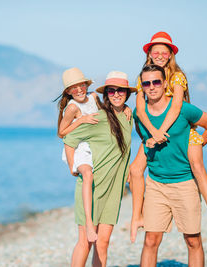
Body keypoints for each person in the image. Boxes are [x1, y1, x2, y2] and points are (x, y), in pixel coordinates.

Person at [129, 32, 207, 245]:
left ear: (171, 55)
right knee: (135, 169)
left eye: (165, 52)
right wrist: (153, 133)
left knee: (197, 168)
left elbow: (177, 106)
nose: (160, 55)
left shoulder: (177, 75)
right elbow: (141, 112)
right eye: (156, 52)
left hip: (183, 130)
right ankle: (137, 216)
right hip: (156, 131)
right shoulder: (143, 78)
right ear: (149, 55)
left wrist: (195, 141)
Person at [63, 71, 136, 267]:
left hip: (113, 192)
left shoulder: (129, 117)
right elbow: (68, 140)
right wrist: (73, 167)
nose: (116, 94)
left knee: (102, 243)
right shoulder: (99, 117)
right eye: (111, 91)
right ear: (106, 95)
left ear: (127, 93)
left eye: (121, 90)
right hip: (92, 189)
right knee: (86, 242)